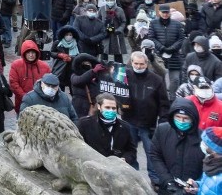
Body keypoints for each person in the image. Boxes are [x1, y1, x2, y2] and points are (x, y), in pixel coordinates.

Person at [123, 50, 170, 184]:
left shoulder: (156, 79)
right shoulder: (124, 76)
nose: (138, 67)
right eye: (136, 64)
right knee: (129, 150)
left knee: (152, 152)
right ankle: (132, 175)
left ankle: (155, 179)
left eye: (141, 64)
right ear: (131, 63)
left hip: (148, 123)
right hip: (129, 120)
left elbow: (164, 103)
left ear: (146, 64)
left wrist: (163, 121)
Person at [150, 98, 203, 192]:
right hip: (168, 188)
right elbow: (155, 155)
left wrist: (197, 184)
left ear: (193, 119)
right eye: (178, 117)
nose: (181, 121)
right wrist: (168, 181)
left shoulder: (202, 138)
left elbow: (208, 165)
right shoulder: (162, 131)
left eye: (186, 118)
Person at [76, 93, 138, 168]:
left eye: (113, 108)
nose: (111, 111)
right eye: (107, 107)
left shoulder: (125, 127)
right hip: (92, 167)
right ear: (99, 107)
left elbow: (131, 151)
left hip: (116, 168)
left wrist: (125, 159)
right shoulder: (84, 124)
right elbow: (78, 147)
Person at [149, 3, 186, 99]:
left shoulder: (177, 24)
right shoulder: (153, 23)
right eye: (163, 12)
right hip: (159, 55)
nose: (165, 14)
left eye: (167, 12)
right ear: (159, 12)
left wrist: (172, 48)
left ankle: (173, 97)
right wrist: (161, 47)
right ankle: (161, 97)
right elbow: (151, 38)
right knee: (159, 78)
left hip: (174, 55)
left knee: (175, 79)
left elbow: (181, 38)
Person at [9, 40, 50, 113]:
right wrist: (26, 97)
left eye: (33, 52)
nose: (31, 55)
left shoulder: (45, 66)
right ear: (24, 53)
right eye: (28, 52)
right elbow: (14, 84)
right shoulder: (16, 65)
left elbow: (49, 84)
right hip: (23, 103)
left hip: (41, 105)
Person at [183, 127, 222, 194]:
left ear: (214, 149)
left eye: (205, 143)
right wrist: (197, 186)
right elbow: (209, 186)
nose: (202, 144)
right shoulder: (212, 162)